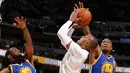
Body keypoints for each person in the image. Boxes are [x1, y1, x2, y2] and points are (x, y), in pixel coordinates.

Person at [74, 2, 116, 73]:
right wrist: (84, 22)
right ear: (100, 46)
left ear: (111, 47)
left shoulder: (113, 62)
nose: (105, 43)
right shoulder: (96, 53)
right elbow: (89, 36)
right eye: (103, 42)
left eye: (108, 42)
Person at [57, 3, 98, 73]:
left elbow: (60, 34)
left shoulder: (79, 51)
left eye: (84, 37)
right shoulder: (78, 51)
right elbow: (64, 39)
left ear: (87, 43)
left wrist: (71, 20)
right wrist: (73, 27)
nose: (82, 36)